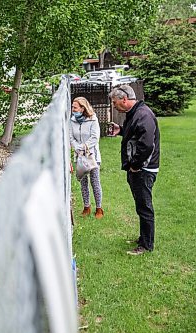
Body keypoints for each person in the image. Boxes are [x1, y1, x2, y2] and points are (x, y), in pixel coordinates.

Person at [109, 85, 160, 255]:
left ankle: (146, 245)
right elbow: (136, 135)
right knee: (140, 206)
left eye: (115, 102)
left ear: (124, 99)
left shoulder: (143, 115)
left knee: (145, 207)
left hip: (144, 170)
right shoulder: (135, 114)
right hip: (139, 169)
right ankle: (143, 238)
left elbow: (146, 145)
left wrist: (135, 165)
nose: (114, 106)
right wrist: (122, 131)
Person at [69, 97, 104, 219]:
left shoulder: (93, 119)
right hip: (79, 156)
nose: (73, 109)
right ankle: (86, 207)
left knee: (95, 182)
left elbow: (95, 138)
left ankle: (99, 208)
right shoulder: (72, 121)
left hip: (92, 156)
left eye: (75, 107)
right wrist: (77, 148)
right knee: (83, 183)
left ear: (82, 108)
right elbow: (71, 137)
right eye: (72, 107)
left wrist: (83, 147)